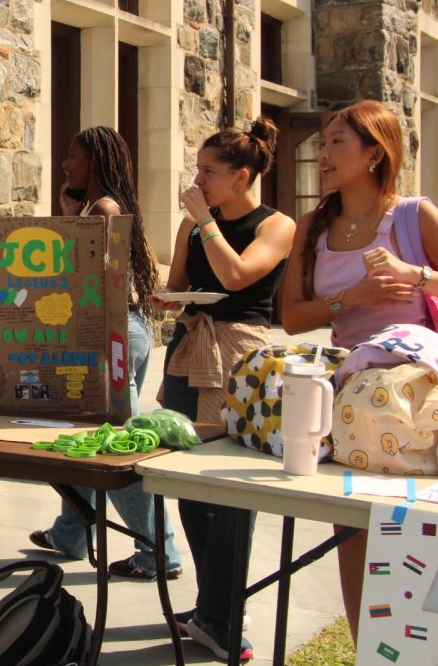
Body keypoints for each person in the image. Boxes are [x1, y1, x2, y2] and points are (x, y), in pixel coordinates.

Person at [281, 100, 438, 644]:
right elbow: (290, 318)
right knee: (352, 532)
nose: (323, 154)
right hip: (351, 401)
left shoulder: (413, 216)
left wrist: (417, 275)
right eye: (324, 141)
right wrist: (348, 300)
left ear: (375, 153)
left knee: (423, 535)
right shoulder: (312, 226)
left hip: (420, 405)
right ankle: (366, 649)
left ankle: (426, 645)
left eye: (337, 143)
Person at [157, 118, 295, 662]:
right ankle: (214, 605)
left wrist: (202, 223)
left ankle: (222, 614)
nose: (198, 180)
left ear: (241, 177)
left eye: (208, 172)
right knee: (188, 478)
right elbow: (181, 287)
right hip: (192, 346)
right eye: (197, 170)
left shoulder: (277, 224)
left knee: (232, 485)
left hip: (242, 357)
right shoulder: (195, 225)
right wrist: (165, 295)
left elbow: (238, 277)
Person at [28, 127, 182, 583]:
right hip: (114, 331)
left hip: (110, 333)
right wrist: (70, 215)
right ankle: (69, 535)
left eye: (72, 154)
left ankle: (159, 553)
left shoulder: (107, 208)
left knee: (117, 450)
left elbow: (83, 277)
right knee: (83, 438)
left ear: (94, 160)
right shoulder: (99, 207)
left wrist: (69, 223)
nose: (65, 163)